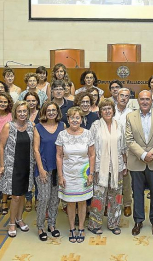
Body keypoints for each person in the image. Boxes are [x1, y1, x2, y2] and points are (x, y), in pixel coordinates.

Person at [126, 90, 153, 237]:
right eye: (142, 99)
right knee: (137, 193)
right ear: (138, 100)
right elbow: (129, 139)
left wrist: (151, 154)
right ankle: (138, 221)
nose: (144, 102)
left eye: (147, 99)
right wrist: (143, 155)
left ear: (152, 101)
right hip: (137, 161)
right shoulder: (130, 117)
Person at [56, 107, 95, 243]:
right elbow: (59, 156)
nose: (74, 120)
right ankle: (72, 228)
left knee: (82, 202)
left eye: (77, 117)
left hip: (83, 174)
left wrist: (91, 174)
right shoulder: (62, 135)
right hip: (68, 174)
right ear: (68, 119)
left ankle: (81, 227)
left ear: (82, 119)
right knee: (71, 203)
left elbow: (92, 155)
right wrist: (60, 176)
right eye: (72, 117)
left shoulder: (88, 134)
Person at [88, 99, 127, 235]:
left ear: (113, 110)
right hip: (100, 167)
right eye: (104, 109)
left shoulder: (119, 125)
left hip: (117, 166)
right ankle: (94, 224)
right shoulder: (95, 126)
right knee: (98, 197)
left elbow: (123, 147)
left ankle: (113, 224)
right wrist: (92, 169)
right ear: (100, 112)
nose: (107, 111)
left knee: (116, 197)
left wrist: (125, 164)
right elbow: (91, 148)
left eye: (109, 108)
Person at [0, 101, 35, 237]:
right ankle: (12, 222)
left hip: (27, 165)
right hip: (12, 166)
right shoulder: (9, 126)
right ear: (15, 112)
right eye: (19, 111)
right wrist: (2, 165)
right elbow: (1, 147)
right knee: (15, 196)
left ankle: (20, 219)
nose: (22, 114)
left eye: (25, 111)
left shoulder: (31, 126)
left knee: (23, 194)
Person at [33, 101, 65, 241]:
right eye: (48, 110)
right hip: (43, 168)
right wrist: (40, 168)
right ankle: (40, 226)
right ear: (44, 112)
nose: (51, 112)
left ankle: (52, 225)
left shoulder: (63, 126)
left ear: (57, 112)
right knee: (43, 198)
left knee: (54, 199)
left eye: (54, 110)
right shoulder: (38, 127)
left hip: (58, 169)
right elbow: (35, 149)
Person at [113, 88, 133, 217]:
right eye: (121, 95)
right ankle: (111, 204)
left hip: (127, 149)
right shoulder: (110, 110)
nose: (124, 98)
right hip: (111, 148)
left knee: (126, 179)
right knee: (112, 178)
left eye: (126, 96)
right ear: (116, 96)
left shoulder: (132, 113)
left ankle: (127, 204)